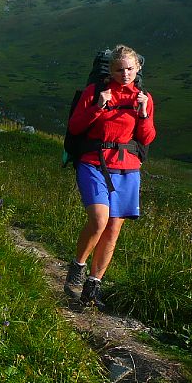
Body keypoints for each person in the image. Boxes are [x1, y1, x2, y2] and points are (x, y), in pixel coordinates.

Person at [63, 44, 155, 309]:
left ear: (137, 68)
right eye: (119, 69)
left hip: (127, 167)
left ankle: (92, 287)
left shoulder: (143, 97)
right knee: (99, 220)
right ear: (110, 70)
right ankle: (77, 267)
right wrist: (98, 108)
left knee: (114, 228)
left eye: (129, 68)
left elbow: (147, 137)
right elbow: (76, 126)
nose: (125, 73)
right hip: (94, 162)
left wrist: (144, 112)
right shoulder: (95, 93)